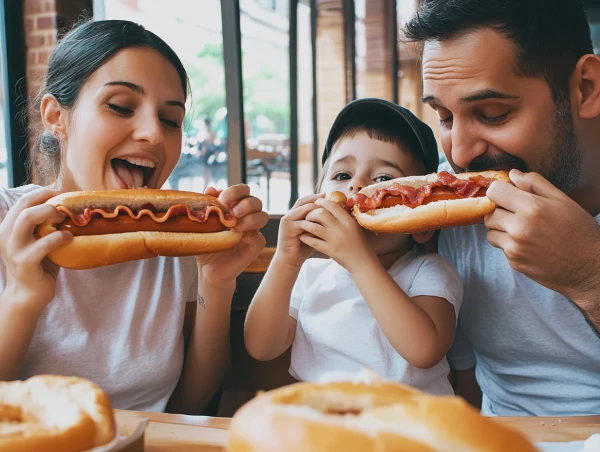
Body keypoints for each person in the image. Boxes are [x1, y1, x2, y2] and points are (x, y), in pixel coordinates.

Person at [0, 20, 268, 414]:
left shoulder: (182, 239)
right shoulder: (8, 217)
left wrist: (216, 280)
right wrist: (22, 297)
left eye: (170, 120)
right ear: (56, 116)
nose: (154, 135)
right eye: (121, 106)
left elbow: (190, 406)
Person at [403, 0, 600, 415]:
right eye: (444, 117)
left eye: (493, 114)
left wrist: (588, 273)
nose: (460, 153)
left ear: (585, 87)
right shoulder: (443, 204)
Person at [244, 98, 463, 394]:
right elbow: (261, 347)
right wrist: (286, 259)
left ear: (422, 226)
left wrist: (358, 260)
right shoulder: (310, 276)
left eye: (383, 178)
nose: (356, 186)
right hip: (328, 426)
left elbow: (424, 351)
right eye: (342, 175)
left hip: (410, 428)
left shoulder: (428, 271)